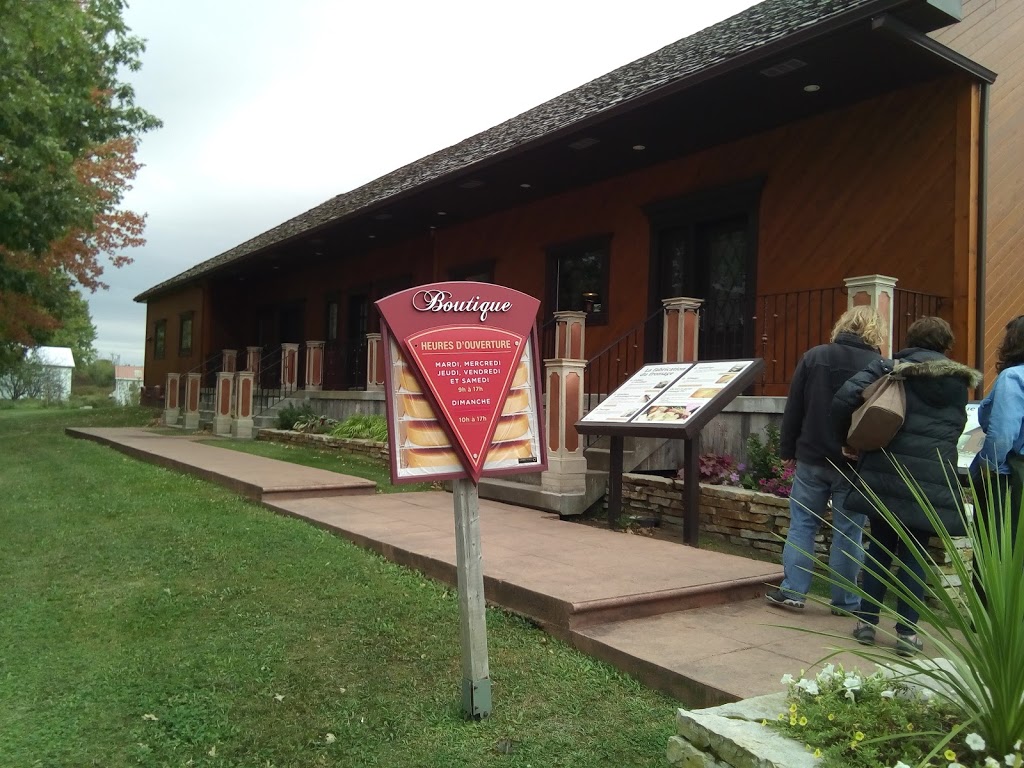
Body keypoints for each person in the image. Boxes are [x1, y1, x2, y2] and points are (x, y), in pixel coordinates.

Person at [832, 316, 980, 657]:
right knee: (915, 553)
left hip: (888, 467)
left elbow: (844, 398)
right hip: (931, 478)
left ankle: (867, 622)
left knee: (880, 548)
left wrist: (849, 439)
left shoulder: (892, 367)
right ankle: (907, 634)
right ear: (946, 346)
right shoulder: (960, 382)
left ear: (911, 339)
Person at [765, 306, 883, 614]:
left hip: (812, 456)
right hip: (854, 464)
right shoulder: (881, 366)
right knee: (849, 532)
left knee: (802, 525)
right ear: (874, 330)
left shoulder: (814, 356)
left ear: (841, 325)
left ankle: (793, 592)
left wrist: (788, 450)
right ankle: (845, 602)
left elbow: (795, 407)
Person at [969, 315, 1024, 568]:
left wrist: (989, 468)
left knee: (998, 556)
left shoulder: (1014, 377)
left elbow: (1002, 434)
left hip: (1013, 477)